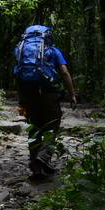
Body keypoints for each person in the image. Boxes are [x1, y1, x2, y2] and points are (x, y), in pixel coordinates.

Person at [13, 25, 76, 179]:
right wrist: (72, 94)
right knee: (52, 127)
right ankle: (42, 158)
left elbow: (17, 73)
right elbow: (64, 73)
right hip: (49, 94)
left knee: (34, 128)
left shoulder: (20, 50)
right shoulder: (53, 51)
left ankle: (37, 165)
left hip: (27, 94)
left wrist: (21, 100)